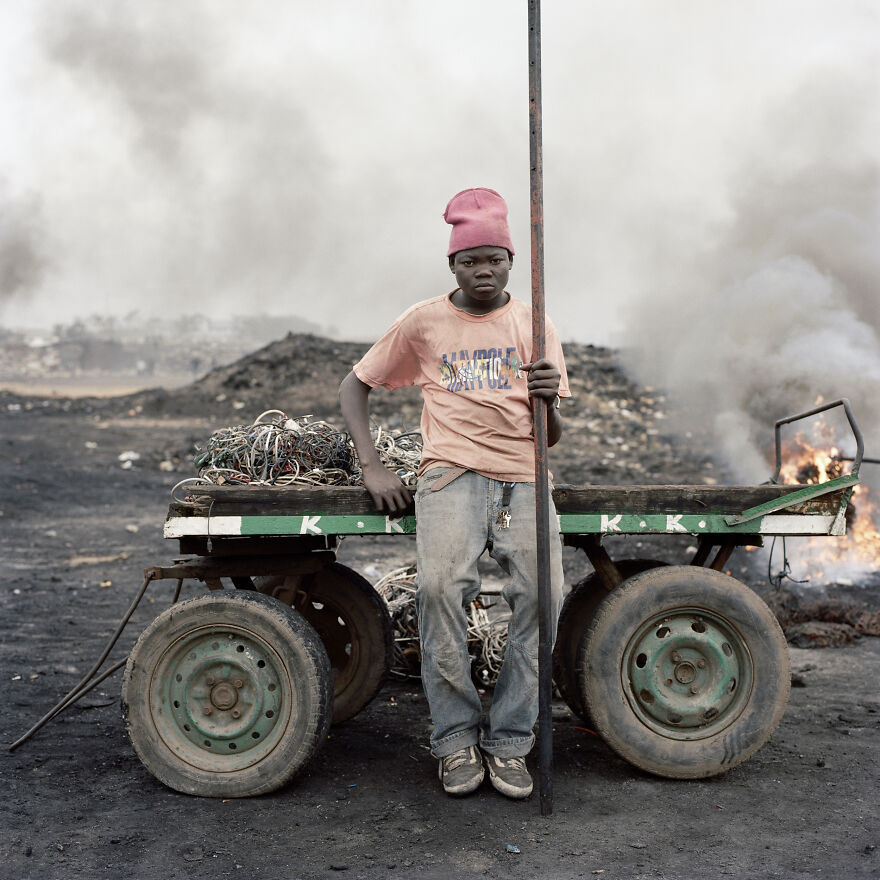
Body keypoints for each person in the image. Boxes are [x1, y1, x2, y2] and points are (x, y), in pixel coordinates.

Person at [338, 187, 569, 799]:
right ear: (453, 266)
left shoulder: (536, 323)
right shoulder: (424, 322)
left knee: (543, 597)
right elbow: (354, 385)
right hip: (450, 474)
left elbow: (551, 436)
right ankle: (456, 739)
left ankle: (511, 740)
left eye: (494, 258)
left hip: (524, 475)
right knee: (440, 592)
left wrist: (548, 398)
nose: (483, 270)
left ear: (511, 261)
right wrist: (371, 467)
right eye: (471, 261)